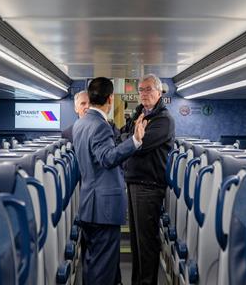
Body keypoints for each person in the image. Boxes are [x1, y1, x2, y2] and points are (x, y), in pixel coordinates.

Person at [72, 77, 147, 284]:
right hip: (103, 209)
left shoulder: (80, 124)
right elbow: (106, 158)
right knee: (102, 269)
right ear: (110, 98)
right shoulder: (100, 125)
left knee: (97, 263)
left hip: (90, 204)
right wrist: (135, 141)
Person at [121, 74, 175, 285]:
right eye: (141, 90)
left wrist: (132, 140)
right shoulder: (139, 114)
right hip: (134, 182)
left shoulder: (163, 120)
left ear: (159, 92)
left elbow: (140, 146)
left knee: (146, 244)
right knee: (136, 243)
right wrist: (132, 138)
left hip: (149, 186)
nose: (144, 93)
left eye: (148, 89)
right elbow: (122, 138)